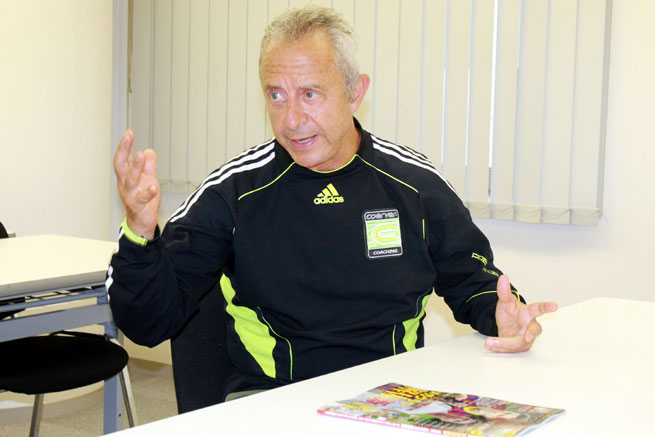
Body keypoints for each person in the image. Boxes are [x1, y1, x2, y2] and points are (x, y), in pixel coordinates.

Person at [108, 5, 557, 400]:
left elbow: (474, 281)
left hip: (391, 397)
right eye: (276, 95)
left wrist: (503, 314)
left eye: (310, 93)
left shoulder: (415, 186)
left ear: (355, 92)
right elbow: (149, 323)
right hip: (272, 399)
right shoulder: (234, 192)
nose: (292, 119)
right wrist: (140, 233)